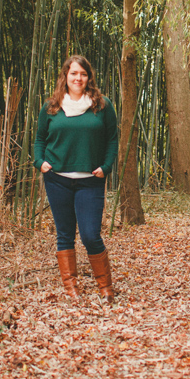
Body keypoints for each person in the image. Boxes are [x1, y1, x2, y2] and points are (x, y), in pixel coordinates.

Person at [34, 55, 119, 301]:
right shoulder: (52, 106)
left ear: (88, 77)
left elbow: (112, 139)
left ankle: (105, 288)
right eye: (73, 73)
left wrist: (106, 166)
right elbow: (40, 139)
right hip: (57, 178)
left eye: (82, 74)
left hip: (90, 180)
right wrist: (40, 163)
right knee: (65, 234)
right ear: (65, 76)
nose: (78, 78)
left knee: (91, 234)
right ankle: (71, 288)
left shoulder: (101, 105)